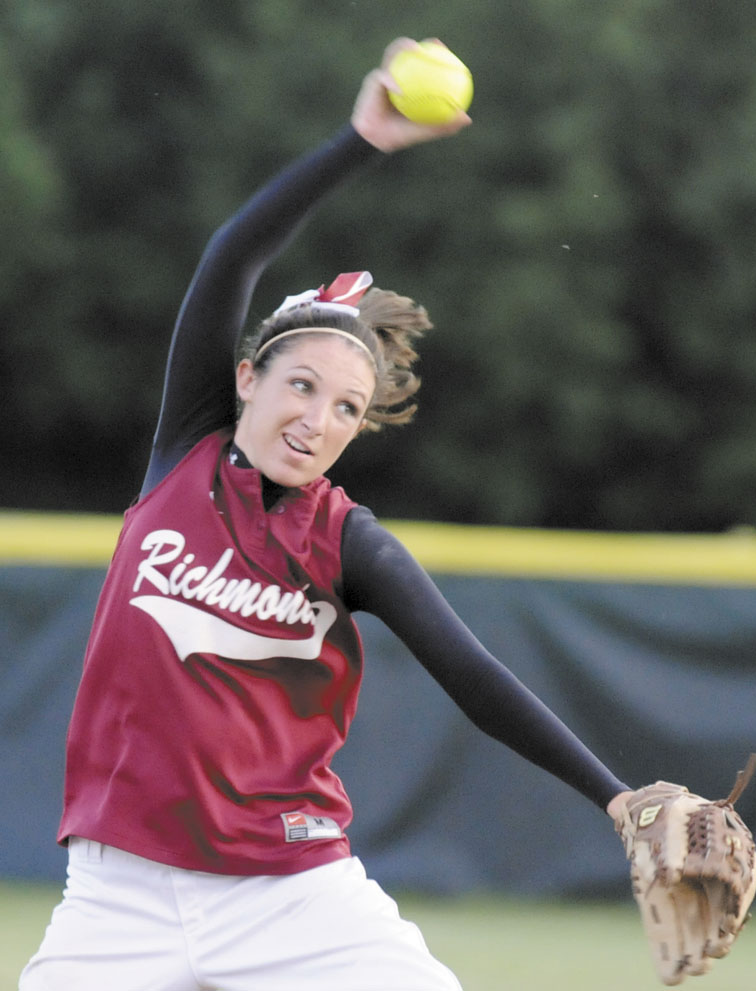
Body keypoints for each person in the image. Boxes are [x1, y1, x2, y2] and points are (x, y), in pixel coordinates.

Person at [20, 38, 633, 991]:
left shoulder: (349, 542)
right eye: (300, 385)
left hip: (291, 895)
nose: (317, 420)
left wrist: (620, 798)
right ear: (244, 378)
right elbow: (235, 254)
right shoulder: (187, 452)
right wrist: (360, 141)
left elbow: (473, 675)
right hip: (117, 899)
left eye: (346, 407)